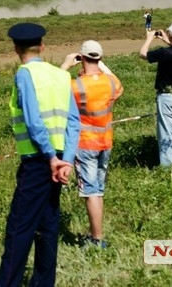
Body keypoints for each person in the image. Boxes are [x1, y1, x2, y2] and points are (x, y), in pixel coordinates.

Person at [0, 23, 80, 287]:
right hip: (60, 159)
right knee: (48, 224)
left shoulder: (25, 73)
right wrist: (67, 160)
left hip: (39, 161)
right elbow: (74, 122)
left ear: (16, 49)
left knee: (19, 227)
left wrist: (51, 157)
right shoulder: (62, 76)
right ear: (42, 47)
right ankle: (43, 282)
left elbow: (33, 120)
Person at [60, 40, 123, 250]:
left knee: (90, 191)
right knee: (98, 189)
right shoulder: (111, 83)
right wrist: (100, 65)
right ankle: (96, 233)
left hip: (86, 144)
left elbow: (53, 90)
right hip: (106, 142)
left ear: (82, 58)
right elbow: (117, 84)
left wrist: (66, 65)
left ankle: (97, 239)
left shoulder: (76, 85)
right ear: (100, 58)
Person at [139, 21, 172, 167]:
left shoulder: (164, 53)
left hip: (166, 97)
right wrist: (167, 39)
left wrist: (150, 38)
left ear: (170, 34)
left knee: (165, 133)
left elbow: (143, 54)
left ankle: (167, 168)